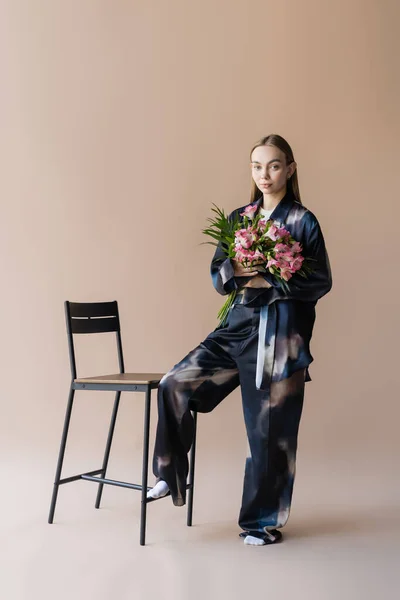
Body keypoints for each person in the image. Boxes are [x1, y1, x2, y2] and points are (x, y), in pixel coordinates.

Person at [147, 134, 332, 546]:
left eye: (274, 165)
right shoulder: (239, 218)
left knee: (268, 433)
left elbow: (320, 279)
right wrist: (243, 267)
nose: (264, 175)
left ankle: (261, 524)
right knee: (173, 383)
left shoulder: (303, 221)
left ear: (290, 168)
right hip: (236, 329)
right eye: (257, 166)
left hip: (278, 338)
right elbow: (219, 276)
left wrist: (269, 274)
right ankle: (170, 472)